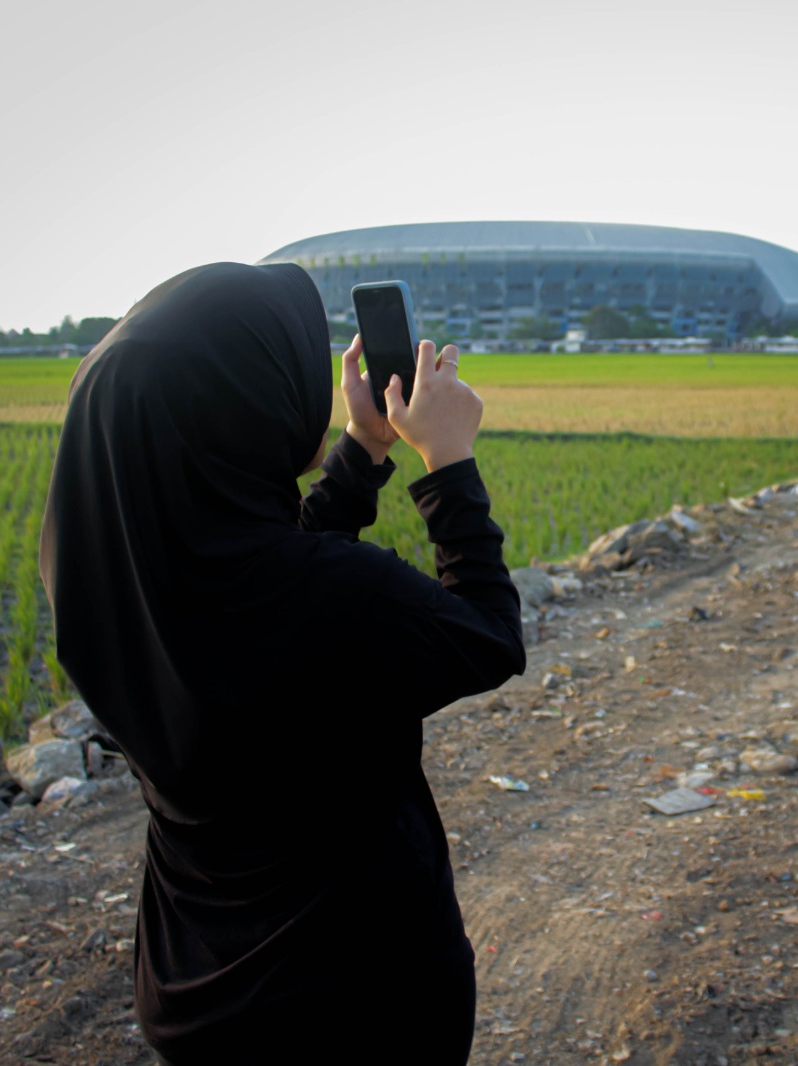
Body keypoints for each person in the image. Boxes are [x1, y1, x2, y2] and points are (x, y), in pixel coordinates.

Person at [38, 262, 525, 1064]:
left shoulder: (100, 568)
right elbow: (488, 635)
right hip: (362, 998)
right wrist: (449, 463)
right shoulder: (336, 596)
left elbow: (260, 577)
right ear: (250, 403)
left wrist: (364, 449)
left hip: (196, 991)